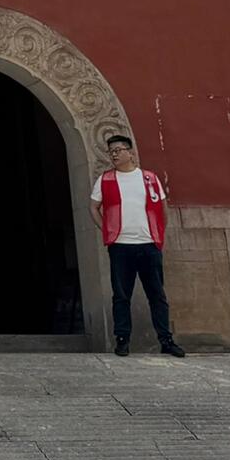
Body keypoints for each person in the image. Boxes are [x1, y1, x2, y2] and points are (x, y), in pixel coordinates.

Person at [91, 134, 184, 358]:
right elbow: (93, 207)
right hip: (120, 246)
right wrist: (107, 230)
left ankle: (166, 340)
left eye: (118, 150)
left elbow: (162, 208)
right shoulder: (105, 180)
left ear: (130, 152)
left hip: (148, 244)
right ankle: (122, 340)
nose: (114, 155)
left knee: (157, 295)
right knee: (121, 295)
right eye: (111, 152)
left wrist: (158, 233)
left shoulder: (149, 178)